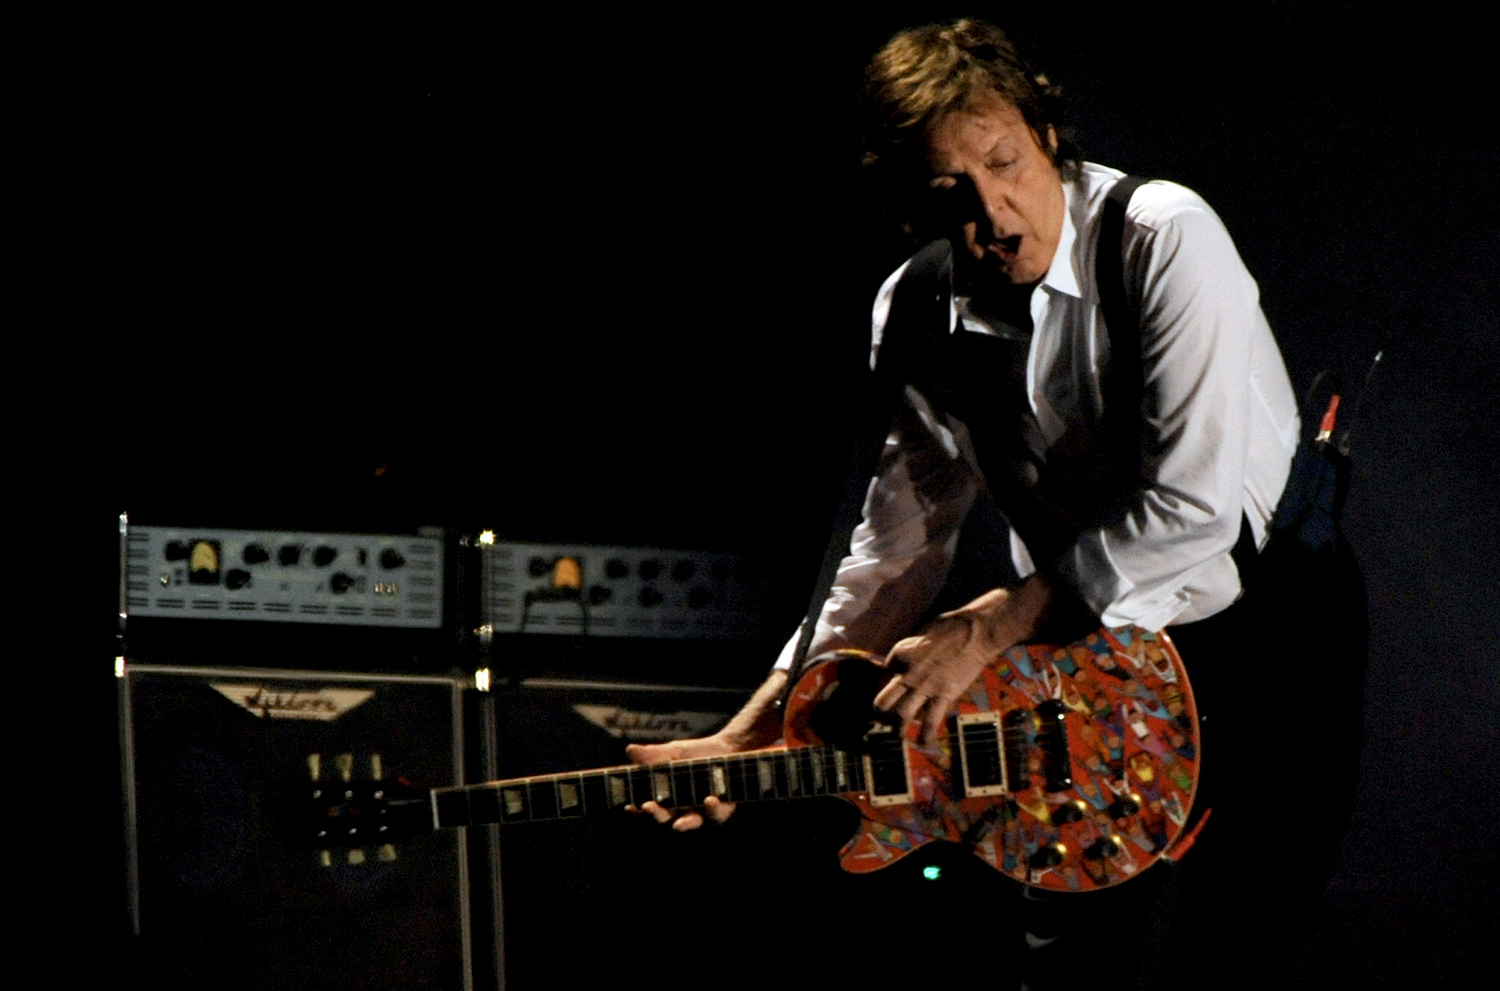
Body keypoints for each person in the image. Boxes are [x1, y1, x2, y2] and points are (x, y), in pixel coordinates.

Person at [628, 19, 1364, 989]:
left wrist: (995, 622)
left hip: (1269, 632)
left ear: (1048, 136)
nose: (995, 211)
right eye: (950, 192)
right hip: (1081, 663)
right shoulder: (914, 309)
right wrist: (767, 720)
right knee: (1063, 968)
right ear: (908, 203)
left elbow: (1194, 507)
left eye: (1007, 162)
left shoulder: (1163, 238)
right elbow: (898, 548)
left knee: (1236, 954)